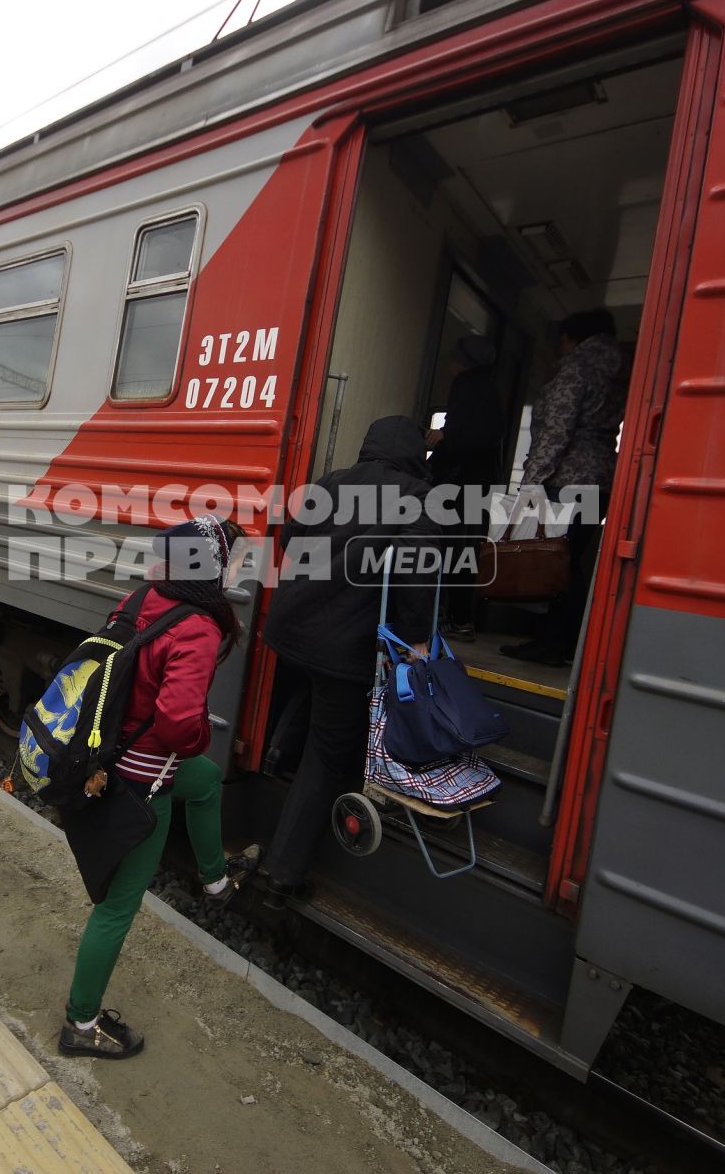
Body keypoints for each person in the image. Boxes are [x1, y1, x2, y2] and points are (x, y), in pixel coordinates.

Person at [57, 516, 259, 1059]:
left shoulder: (144, 596)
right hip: (144, 778)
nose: (243, 568)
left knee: (209, 781)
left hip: (107, 749)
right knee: (116, 909)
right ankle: (80, 1024)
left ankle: (215, 881)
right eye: (238, 559)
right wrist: (195, 734)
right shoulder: (198, 626)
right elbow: (175, 725)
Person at [259, 417, 437, 908]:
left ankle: (276, 752)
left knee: (313, 687)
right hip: (343, 646)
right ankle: (282, 875)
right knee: (328, 757)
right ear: (413, 451)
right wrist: (418, 640)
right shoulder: (417, 496)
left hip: (293, 628)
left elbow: (292, 536)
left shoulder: (333, 481)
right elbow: (416, 574)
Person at [500, 309, 627, 666]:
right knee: (570, 561)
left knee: (555, 561)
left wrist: (531, 482)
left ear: (572, 338)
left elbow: (556, 430)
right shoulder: (616, 372)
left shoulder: (576, 368)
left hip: (568, 479)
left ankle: (551, 644)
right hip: (599, 480)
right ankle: (565, 641)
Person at [426, 334, 509, 641]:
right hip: (478, 486)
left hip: (459, 485)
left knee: (449, 549)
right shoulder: (489, 389)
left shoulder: (468, 384)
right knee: (466, 550)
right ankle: (460, 617)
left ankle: (450, 617)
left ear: (462, 360)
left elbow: (467, 436)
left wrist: (444, 438)